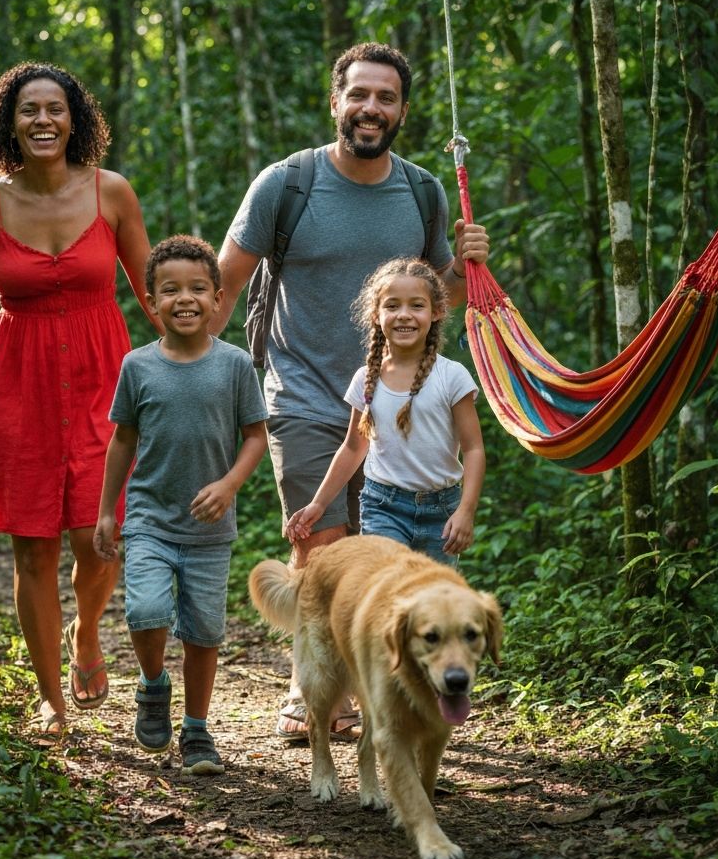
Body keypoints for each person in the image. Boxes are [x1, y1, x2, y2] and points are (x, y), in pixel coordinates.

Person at [210, 41, 491, 741]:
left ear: (401, 110)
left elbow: (441, 299)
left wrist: (472, 261)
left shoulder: (423, 191)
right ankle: (314, 692)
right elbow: (223, 286)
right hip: (303, 393)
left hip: (397, 404)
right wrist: (189, 376)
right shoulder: (287, 184)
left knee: (390, 557)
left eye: (385, 98)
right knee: (324, 547)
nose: (371, 109)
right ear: (336, 101)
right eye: (358, 95)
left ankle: (383, 690)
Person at [0, 61, 157, 736]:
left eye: (55, 109)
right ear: (7, 124)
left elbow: (154, 291)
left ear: (75, 119)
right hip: (19, 386)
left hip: (105, 379)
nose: (43, 120)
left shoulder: (113, 194)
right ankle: (52, 698)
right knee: (34, 548)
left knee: (98, 539)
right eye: (28, 110)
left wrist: (200, 366)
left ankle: (88, 632)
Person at [94, 235, 268, 775]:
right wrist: (107, 511)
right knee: (145, 610)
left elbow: (257, 435)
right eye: (170, 290)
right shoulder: (138, 366)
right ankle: (152, 685)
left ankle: (196, 731)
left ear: (218, 298)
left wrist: (229, 484)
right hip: (149, 516)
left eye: (197, 288)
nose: (184, 299)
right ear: (151, 302)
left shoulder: (235, 365)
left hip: (209, 528)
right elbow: (123, 439)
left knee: (204, 631)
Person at [286, 257, 484, 561]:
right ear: (376, 314)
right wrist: (319, 504)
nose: (404, 315)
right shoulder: (366, 379)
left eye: (416, 305)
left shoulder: (452, 376)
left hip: (441, 512)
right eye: (392, 306)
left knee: (429, 601)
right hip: (383, 506)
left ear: (437, 312)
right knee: (386, 587)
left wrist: (466, 511)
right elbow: (353, 448)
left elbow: (473, 449)